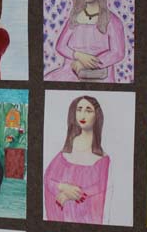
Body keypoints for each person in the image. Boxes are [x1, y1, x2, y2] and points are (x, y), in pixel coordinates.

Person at [45, 0, 126, 82]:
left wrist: (86, 64)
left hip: (99, 76)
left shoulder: (112, 21)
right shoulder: (74, 18)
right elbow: (60, 46)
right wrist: (78, 56)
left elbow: (118, 53)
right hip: (70, 72)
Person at [43, 96, 111, 224]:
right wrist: (63, 187)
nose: (82, 115)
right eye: (79, 109)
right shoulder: (66, 150)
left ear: (97, 116)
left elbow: (99, 187)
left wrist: (70, 195)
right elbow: (47, 178)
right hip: (60, 219)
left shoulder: (102, 158)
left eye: (88, 110)